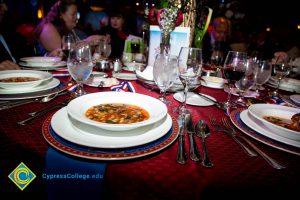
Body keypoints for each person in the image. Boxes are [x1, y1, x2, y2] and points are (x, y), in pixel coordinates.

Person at [34, 0, 107, 57]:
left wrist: (97, 43)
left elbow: (82, 54)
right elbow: (63, 52)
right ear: (61, 15)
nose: (76, 18)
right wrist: (87, 42)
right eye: (73, 15)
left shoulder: (73, 31)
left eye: (77, 14)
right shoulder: (47, 28)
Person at [0, 0, 20, 70]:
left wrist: (47, 57)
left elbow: (25, 59)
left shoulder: (7, 31)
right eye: (0, 3)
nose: (5, 8)